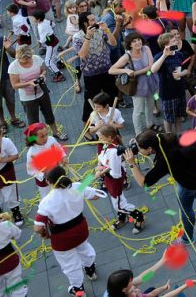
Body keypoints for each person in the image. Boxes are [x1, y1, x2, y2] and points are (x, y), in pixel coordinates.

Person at [125, 130, 196, 244]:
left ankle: (187, 239)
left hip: (187, 183)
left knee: (186, 210)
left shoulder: (165, 159)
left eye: (139, 148)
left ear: (150, 149)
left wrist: (131, 163)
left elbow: (144, 182)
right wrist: (139, 141)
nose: (138, 150)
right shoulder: (167, 137)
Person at [33, 166, 104, 297]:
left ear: (49, 182)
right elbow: (96, 195)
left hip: (62, 239)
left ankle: (78, 290)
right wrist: (91, 178)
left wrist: (43, 232)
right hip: (80, 229)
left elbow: (37, 227)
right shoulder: (77, 187)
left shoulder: (46, 202)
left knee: (70, 264)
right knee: (84, 248)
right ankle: (90, 270)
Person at [8, 45, 66, 141]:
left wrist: (42, 75)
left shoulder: (37, 59)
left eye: (29, 58)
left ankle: (56, 132)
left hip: (42, 92)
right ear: (18, 57)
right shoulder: (13, 67)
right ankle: (34, 140)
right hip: (27, 98)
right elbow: (14, 85)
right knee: (33, 120)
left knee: (49, 114)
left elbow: (43, 70)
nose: (27, 61)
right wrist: (29, 83)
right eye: (24, 60)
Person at [95, 125, 146, 234]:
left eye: (100, 137)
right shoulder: (105, 144)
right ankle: (122, 218)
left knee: (118, 204)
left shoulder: (113, 152)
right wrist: (99, 169)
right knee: (118, 199)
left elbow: (116, 173)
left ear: (109, 137)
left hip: (114, 180)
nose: (98, 140)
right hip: (109, 180)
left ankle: (139, 216)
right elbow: (100, 156)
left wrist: (101, 170)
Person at [109, 31, 160, 135]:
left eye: (139, 40)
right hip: (138, 87)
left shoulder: (146, 49)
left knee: (150, 105)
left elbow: (151, 66)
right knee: (138, 111)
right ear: (129, 45)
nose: (138, 42)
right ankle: (139, 133)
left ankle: (149, 124)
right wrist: (126, 71)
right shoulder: (127, 57)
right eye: (134, 41)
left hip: (151, 82)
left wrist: (135, 73)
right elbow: (111, 70)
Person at [74, 11, 119, 125]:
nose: (95, 21)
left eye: (95, 19)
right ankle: (87, 126)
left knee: (112, 95)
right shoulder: (77, 37)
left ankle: (112, 122)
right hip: (91, 74)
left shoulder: (100, 31)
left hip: (106, 69)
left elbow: (113, 44)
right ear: (85, 23)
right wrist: (88, 37)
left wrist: (107, 30)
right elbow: (82, 55)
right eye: (92, 20)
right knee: (90, 101)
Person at [150, 31, 192, 134]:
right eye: (173, 41)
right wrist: (164, 55)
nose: (177, 41)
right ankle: (169, 135)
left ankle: (178, 133)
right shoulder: (159, 56)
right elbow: (153, 70)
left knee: (178, 115)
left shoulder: (179, 55)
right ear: (166, 45)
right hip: (167, 93)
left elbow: (186, 70)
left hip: (180, 90)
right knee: (168, 116)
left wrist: (181, 74)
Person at [104, 257, 196, 297]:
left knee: (151, 289)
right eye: (131, 283)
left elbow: (143, 278)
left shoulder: (115, 288)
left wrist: (163, 260)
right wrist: (186, 285)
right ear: (124, 289)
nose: (136, 287)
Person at [24, 123, 64, 199]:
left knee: (61, 191)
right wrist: (43, 175)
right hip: (44, 181)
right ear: (33, 138)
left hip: (56, 173)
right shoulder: (31, 152)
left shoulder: (51, 140)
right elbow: (30, 170)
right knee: (47, 197)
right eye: (42, 136)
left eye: (46, 134)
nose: (45, 138)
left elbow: (59, 148)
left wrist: (63, 157)